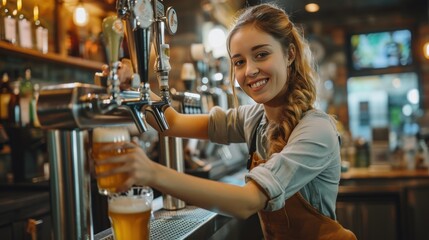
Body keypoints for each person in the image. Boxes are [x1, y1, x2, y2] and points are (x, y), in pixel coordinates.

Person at [97, 3, 356, 239]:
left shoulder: (316, 129)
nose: (249, 71)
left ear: (289, 55)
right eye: (239, 62)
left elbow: (247, 202)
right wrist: (132, 86)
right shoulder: (255, 118)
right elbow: (173, 123)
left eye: (261, 54)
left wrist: (150, 172)